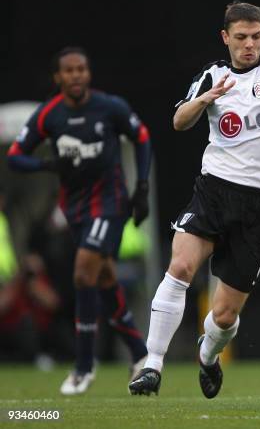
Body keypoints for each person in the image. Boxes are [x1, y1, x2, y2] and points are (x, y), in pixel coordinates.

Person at [128, 1, 260, 397]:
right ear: (226, 38)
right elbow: (178, 120)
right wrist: (207, 99)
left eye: (256, 37)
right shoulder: (213, 75)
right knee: (180, 267)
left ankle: (208, 355)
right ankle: (152, 365)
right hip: (214, 191)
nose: (249, 45)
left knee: (223, 316)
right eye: (241, 37)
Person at [7, 47, 152, 395]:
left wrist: (142, 187)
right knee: (103, 280)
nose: (76, 75)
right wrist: (46, 164)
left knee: (82, 271)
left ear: (89, 73)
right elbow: (16, 156)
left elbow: (142, 137)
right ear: (58, 77)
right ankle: (139, 353)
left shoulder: (109, 107)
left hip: (110, 202)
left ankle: (84, 367)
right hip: (75, 209)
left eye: (81, 69)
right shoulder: (49, 115)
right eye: (69, 71)